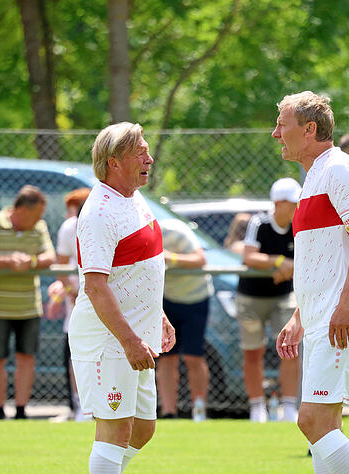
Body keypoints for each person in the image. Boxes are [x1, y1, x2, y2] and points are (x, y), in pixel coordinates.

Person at [274, 91, 349, 474]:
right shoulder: (315, 177)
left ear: (309, 129)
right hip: (323, 316)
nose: (275, 134)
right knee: (324, 424)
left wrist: (347, 303)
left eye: (282, 125)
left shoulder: (340, 168)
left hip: (342, 316)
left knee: (312, 421)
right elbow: (323, 260)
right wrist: (300, 317)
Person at [68, 122, 175, 473]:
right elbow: (96, 286)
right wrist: (129, 341)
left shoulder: (133, 197)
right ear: (114, 162)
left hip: (136, 335)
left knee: (143, 429)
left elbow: (142, 267)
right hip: (108, 338)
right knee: (115, 430)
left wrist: (157, 314)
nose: (150, 157)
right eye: (140, 152)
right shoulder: (98, 212)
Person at [0, 185, 55, 420]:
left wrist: (30, 261)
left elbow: (50, 256)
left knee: (26, 357)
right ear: (21, 209)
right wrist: (9, 261)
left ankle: (21, 410)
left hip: (29, 305)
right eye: (36, 214)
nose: (39, 219)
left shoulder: (39, 227)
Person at [238, 177, 300, 423]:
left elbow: (304, 259)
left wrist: (288, 267)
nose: (297, 206)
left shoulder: (299, 224)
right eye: (293, 202)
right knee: (253, 352)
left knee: (290, 349)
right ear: (279, 203)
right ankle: (257, 408)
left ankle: (289, 407)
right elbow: (249, 256)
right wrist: (277, 262)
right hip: (251, 297)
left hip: (284, 295)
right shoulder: (259, 222)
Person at [156, 217, 213, 422]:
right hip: (166, 299)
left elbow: (200, 259)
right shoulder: (139, 234)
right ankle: (169, 412)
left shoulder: (175, 230)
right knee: (166, 356)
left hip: (194, 298)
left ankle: (199, 410)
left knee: (193, 357)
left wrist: (168, 257)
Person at [47, 186, 91, 421]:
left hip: (105, 298)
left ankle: (106, 406)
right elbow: (61, 267)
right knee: (78, 352)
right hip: (79, 300)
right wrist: (71, 292)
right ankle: (81, 407)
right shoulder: (68, 228)